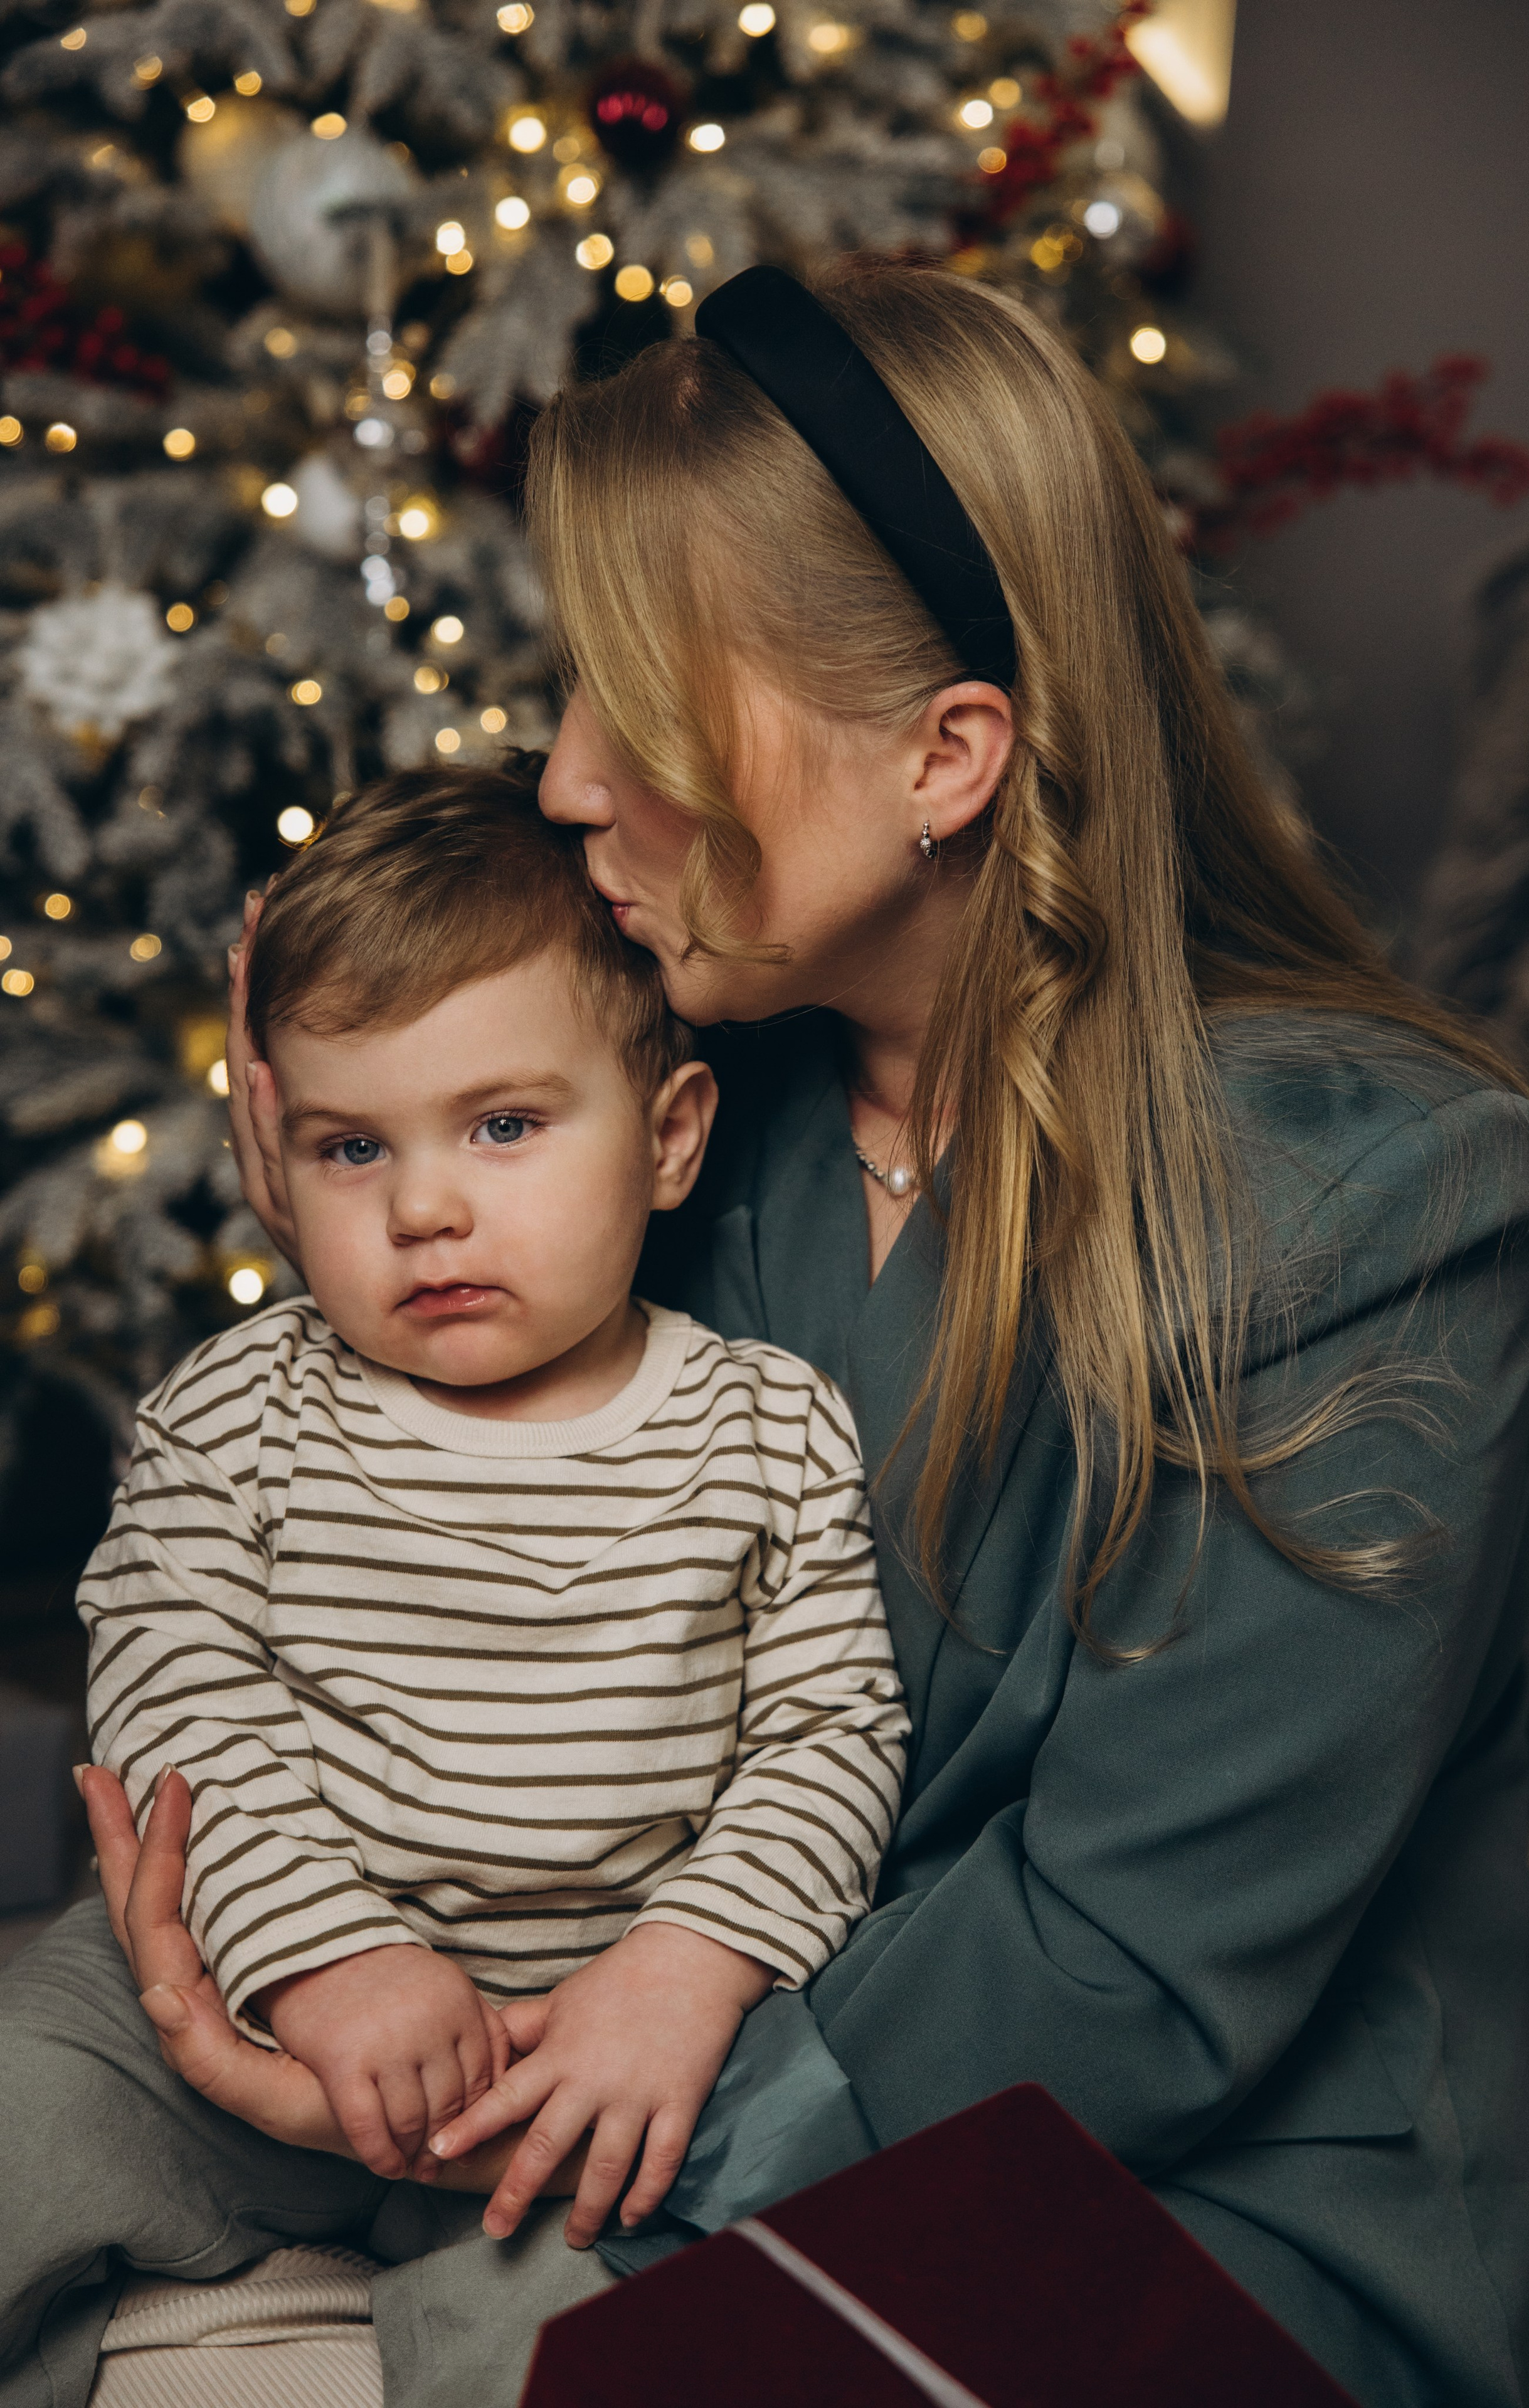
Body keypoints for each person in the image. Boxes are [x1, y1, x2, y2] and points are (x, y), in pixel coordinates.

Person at [8, 258, 1529, 2408]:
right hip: (615, 2057)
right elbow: (402, 1513)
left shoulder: (1384, 1202)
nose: (564, 780)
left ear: (948, 755)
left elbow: (1133, 1970)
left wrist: (551, 2147)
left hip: (1144, 2181)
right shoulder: (702, 1110)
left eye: (638, 714)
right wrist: (326, 1171)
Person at [0, 763, 907, 2406]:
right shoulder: (244, 1405)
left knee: (596, 2338)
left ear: (670, 1137)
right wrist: (325, 1957)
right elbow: (173, 1684)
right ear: (281, 1152)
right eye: (353, 1146)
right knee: (22, 2094)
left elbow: (832, 1733)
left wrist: (688, 1964)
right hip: (255, 1987)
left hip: (585, 2052)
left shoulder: (763, 1430)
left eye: (503, 1124)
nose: (424, 1207)